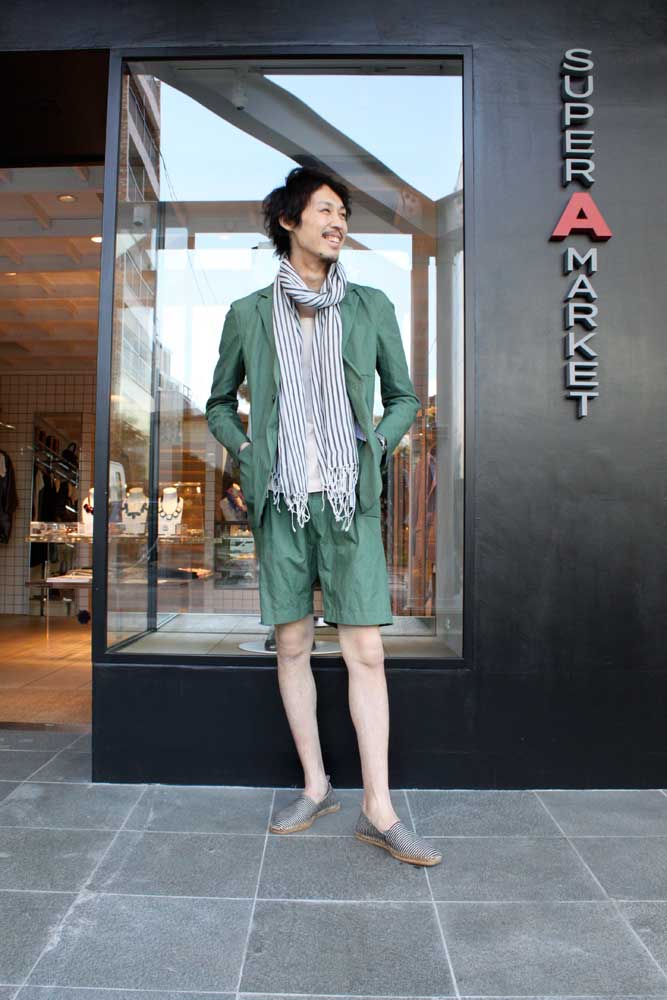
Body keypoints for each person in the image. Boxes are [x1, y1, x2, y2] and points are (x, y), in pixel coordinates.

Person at [206, 166, 442, 866]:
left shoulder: (368, 306)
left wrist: (376, 443)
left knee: (366, 650)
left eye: (344, 213)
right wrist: (246, 449)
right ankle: (315, 785)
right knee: (291, 646)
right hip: (280, 500)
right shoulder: (249, 313)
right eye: (327, 210)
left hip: (346, 501)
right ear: (289, 221)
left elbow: (403, 396)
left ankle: (379, 808)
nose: (339, 223)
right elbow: (219, 403)